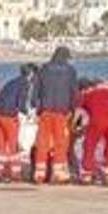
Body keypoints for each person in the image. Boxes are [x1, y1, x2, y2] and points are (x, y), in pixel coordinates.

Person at [33, 46, 79, 185]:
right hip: (61, 111)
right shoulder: (70, 71)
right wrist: (73, 109)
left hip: (45, 111)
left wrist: (37, 109)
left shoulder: (43, 69)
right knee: (61, 142)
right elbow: (73, 92)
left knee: (42, 141)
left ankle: (39, 173)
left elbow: (36, 91)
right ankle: (58, 173)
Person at [0, 64, 36, 181]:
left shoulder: (10, 82)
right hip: (9, 116)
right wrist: (28, 113)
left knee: (1, 146)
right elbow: (22, 101)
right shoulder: (25, 83)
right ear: (31, 74)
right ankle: (15, 173)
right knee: (13, 147)